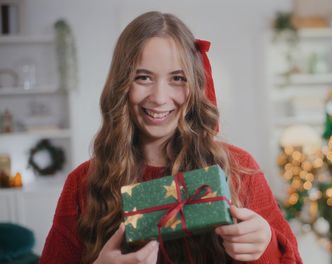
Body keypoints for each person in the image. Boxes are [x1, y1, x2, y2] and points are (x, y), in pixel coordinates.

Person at [40, 11, 302, 264]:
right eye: (143, 77)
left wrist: (265, 245)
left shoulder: (238, 169)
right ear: (121, 85)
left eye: (177, 78)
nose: (160, 97)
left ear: (195, 85)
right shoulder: (82, 184)